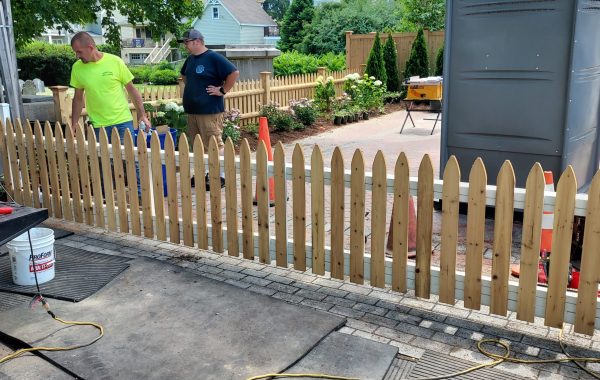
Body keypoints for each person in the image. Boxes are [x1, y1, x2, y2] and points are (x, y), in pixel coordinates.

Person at [70, 31, 151, 197]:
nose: (77, 56)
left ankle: (141, 195)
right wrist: (73, 123)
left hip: (122, 121)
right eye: (75, 52)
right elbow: (78, 99)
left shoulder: (114, 61)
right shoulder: (77, 68)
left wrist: (142, 115)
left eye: (79, 52)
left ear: (90, 47)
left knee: (130, 159)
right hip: (98, 124)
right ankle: (107, 196)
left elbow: (132, 91)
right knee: (104, 162)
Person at [178, 29, 239, 190]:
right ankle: (203, 173)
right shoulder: (190, 60)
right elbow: (184, 75)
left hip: (210, 110)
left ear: (197, 41)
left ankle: (220, 176)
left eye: (187, 42)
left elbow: (234, 72)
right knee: (198, 144)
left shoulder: (213, 57)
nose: (185, 45)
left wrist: (222, 90)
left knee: (214, 143)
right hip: (193, 111)